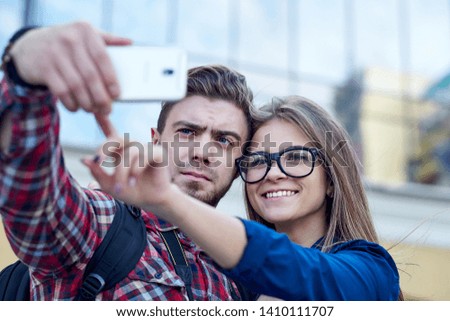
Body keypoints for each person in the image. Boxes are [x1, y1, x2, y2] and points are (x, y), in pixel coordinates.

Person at [0, 22, 256, 300]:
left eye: (224, 140)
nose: (203, 152)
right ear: (155, 141)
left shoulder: (240, 276)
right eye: (186, 132)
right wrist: (24, 72)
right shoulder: (104, 223)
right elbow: (35, 203)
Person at [86, 96, 402, 300]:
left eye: (294, 157)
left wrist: (168, 199)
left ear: (331, 179)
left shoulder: (371, 271)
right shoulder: (229, 285)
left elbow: (298, 270)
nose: (273, 173)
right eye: (258, 161)